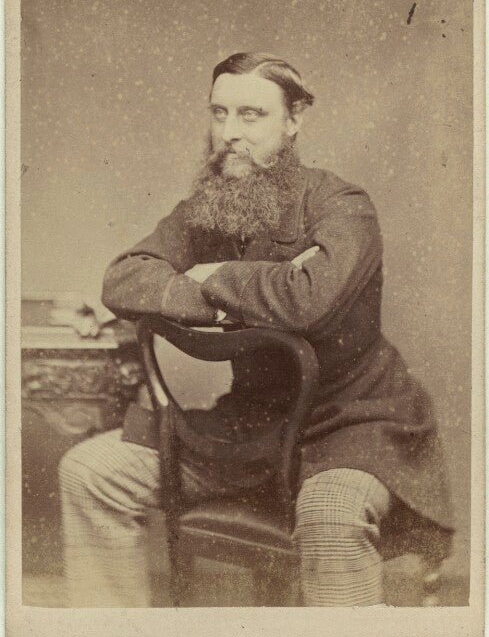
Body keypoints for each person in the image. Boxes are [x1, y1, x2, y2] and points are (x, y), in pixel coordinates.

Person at [59, 52, 453, 607]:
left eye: (251, 115)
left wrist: (216, 273)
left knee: (331, 513)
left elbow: (309, 303)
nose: (229, 134)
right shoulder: (212, 208)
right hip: (249, 429)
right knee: (89, 474)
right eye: (219, 113)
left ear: (293, 121)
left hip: (352, 426)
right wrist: (223, 299)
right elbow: (124, 278)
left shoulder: (343, 207)